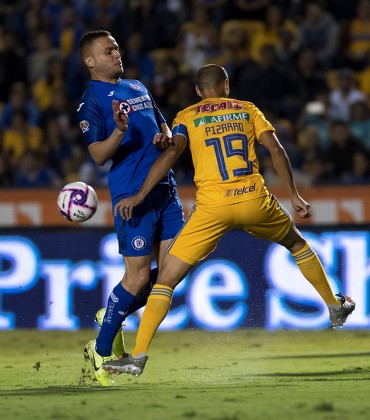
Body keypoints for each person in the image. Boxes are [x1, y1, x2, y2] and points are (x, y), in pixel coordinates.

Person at [102, 64, 356, 377]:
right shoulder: (247, 109)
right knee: (296, 243)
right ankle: (334, 306)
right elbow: (276, 149)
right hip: (254, 200)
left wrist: (140, 194)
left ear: (198, 91)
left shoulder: (187, 116)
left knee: (165, 280)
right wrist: (293, 194)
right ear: (226, 85)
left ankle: (137, 357)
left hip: (212, 209)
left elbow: (170, 155)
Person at [77, 30, 184, 386]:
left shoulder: (137, 86)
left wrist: (165, 135)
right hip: (131, 197)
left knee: (177, 269)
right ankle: (102, 349)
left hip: (165, 190)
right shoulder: (90, 101)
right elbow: (97, 155)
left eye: (118, 49)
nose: (117, 54)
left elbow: (160, 121)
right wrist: (119, 132)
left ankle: (112, 312)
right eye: (108, 51)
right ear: (90, 61)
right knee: (139, 277)